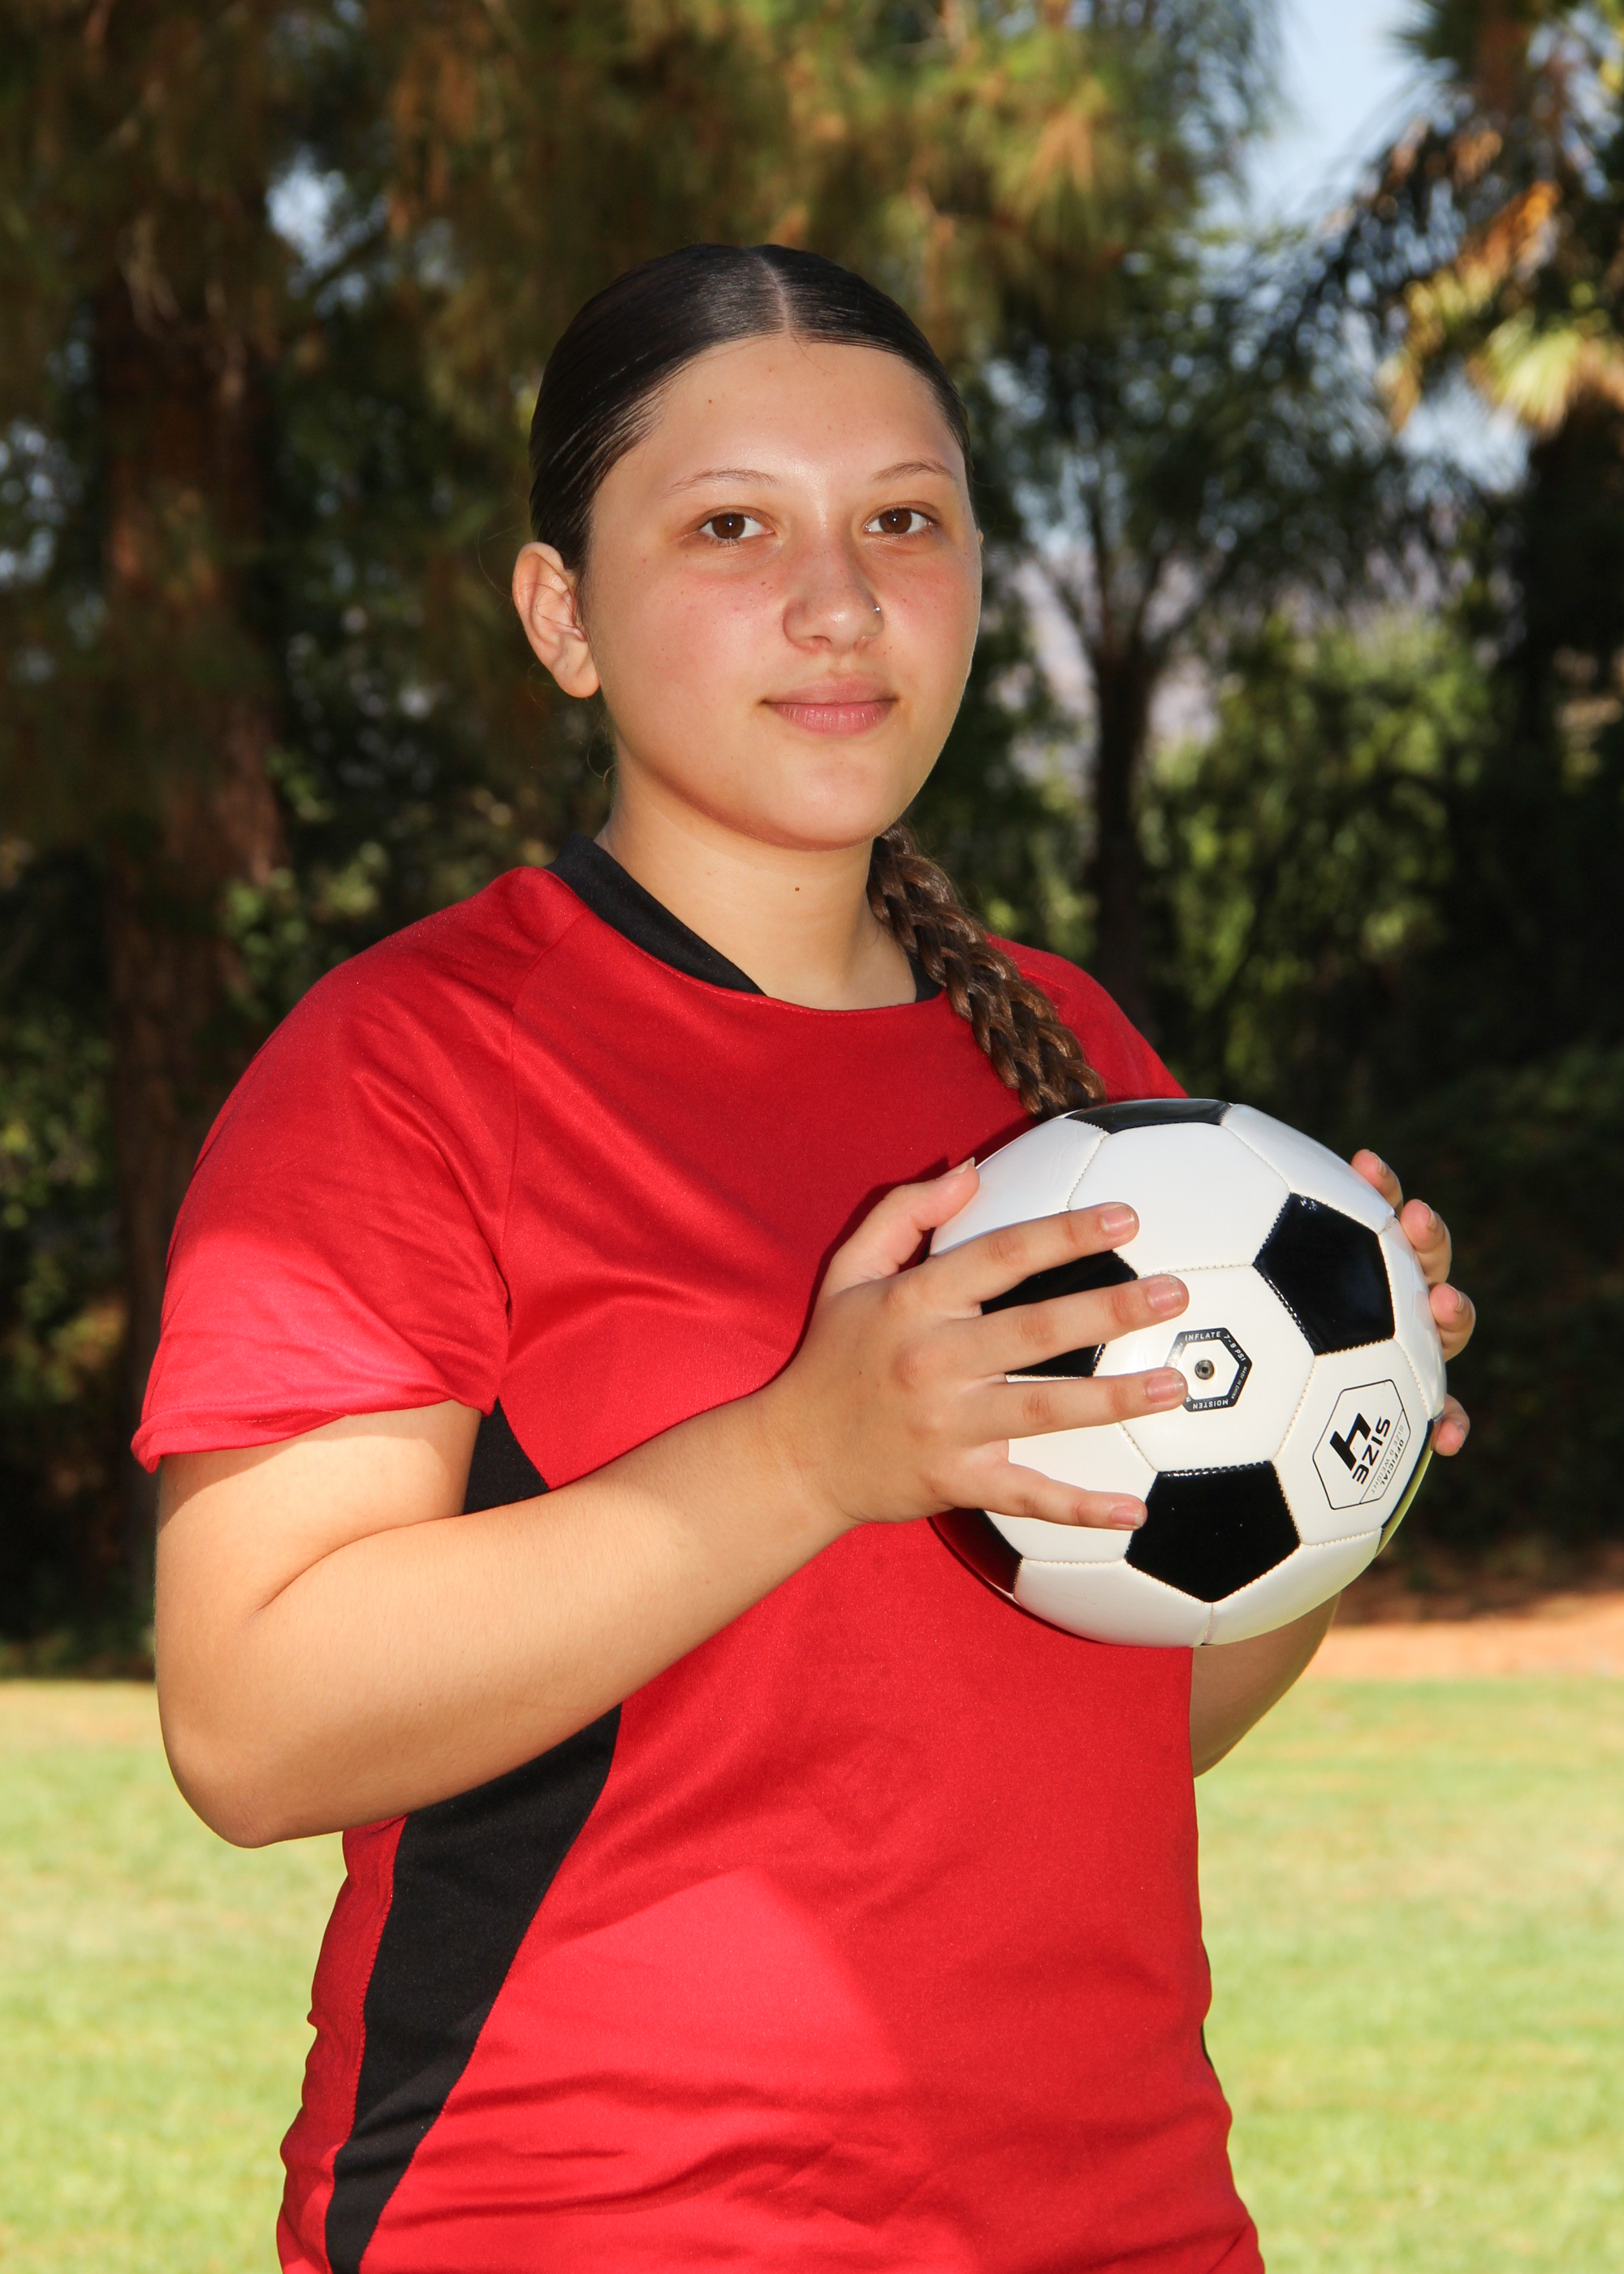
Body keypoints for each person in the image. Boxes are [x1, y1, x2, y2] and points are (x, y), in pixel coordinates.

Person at [143, 244, 1475, 2274]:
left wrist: (1335, 1445)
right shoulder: (413, 1062)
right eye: (732, 526)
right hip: (581, 2226)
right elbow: (252, 1723)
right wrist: (806, 1451)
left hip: (1117, 2220)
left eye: (904, 520)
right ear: (560, 615)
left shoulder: (1080, 1067)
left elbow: (1119, 1717)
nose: (839, 599)